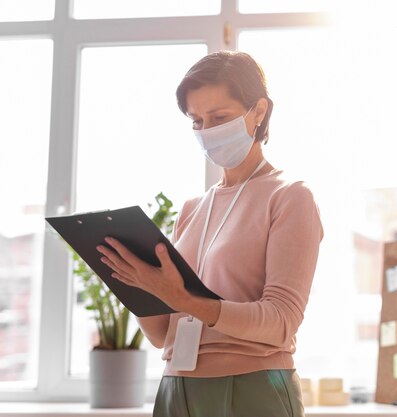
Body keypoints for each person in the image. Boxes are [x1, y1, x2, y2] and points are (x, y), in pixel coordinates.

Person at [96, 51, 324, 417]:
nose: (207, 131)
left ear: (259, 112)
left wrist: (185, 299)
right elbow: (160, 336)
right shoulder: (191, 210)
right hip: (176, 387)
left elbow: (282, 322)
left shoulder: (289, 196)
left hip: (252, 388)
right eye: (196, 121)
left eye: (219, 118)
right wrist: (134, 281)